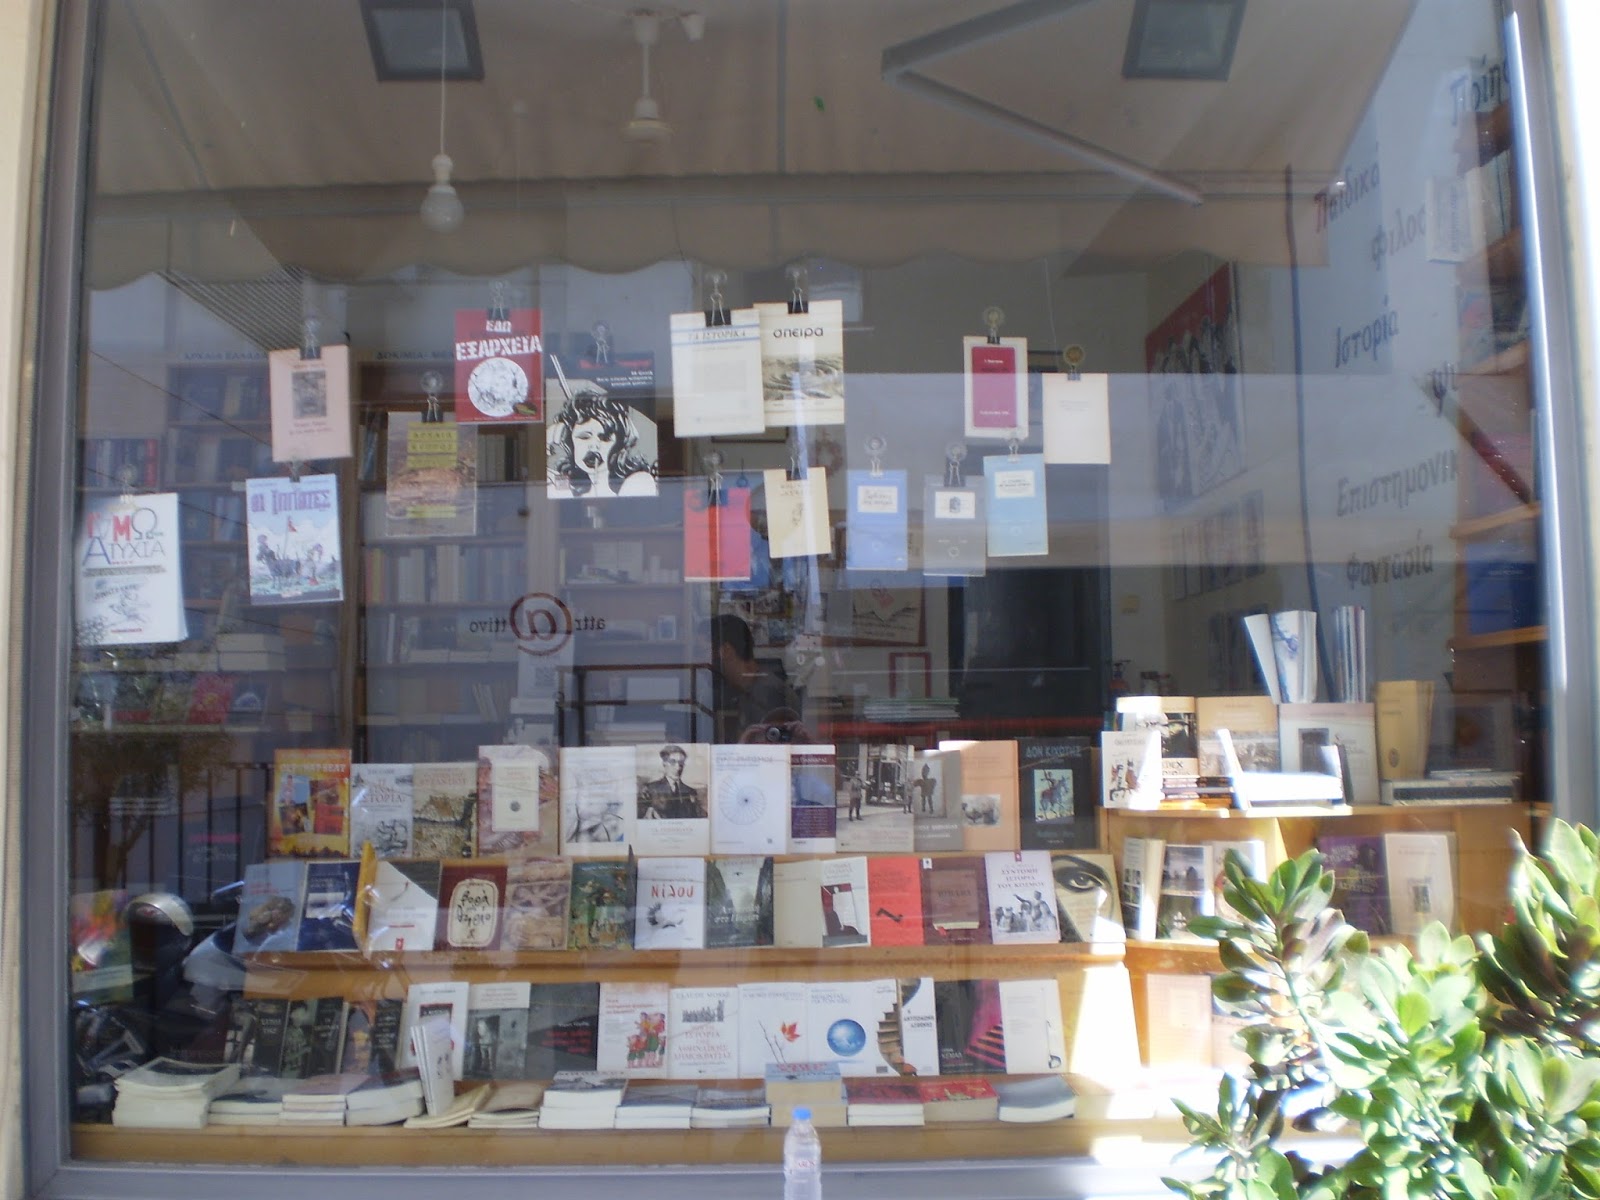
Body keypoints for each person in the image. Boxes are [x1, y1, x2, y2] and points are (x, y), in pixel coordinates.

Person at [546, 387, 656, 498]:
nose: (594, 446)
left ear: (619, 444)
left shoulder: (639, 481)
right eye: (584, 437)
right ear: (570, 441)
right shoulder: (563, 484)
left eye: (605, 438)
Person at [709, 614, 802, 739]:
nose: (698, 660)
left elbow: (766, 746)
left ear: (726, 651)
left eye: (702, 651)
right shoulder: (747, 689)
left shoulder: (767, 693)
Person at [638, 744, 706, 821]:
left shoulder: (691, 791)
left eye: (681, 763)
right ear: (664, 763)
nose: (678, 767)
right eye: (673, 762)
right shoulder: (650, 789)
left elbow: (699, 818)